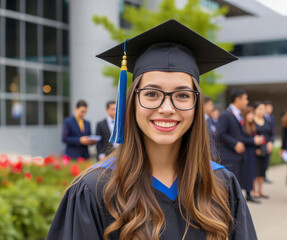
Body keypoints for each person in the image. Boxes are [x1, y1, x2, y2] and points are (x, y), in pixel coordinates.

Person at [47, 19, 257, 240]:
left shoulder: (222, 185)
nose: (167, 108)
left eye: (183, 95)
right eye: (151, 94)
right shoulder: (94, 190)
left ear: (197, 106)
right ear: (132, 102)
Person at [217, 88, 264, 190]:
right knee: (228, 189)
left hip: (238, 157)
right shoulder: (226, 115)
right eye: (245, 99)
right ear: (238, 99)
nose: (247, 102)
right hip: (229, 157)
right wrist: (235, 143)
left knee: (235, 188)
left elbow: (239, 136)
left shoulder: (239, 115)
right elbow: (220, 133)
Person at [241, 106, 261, 203]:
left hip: (252, 152)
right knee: (245, 173)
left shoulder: (252, 125)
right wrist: (253, 140)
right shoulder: (242, 125)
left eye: (253, 114)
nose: (252, 116)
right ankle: (244, 194)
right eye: (250, 114)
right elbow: (242, 139)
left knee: (251, 173)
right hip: (245, 152)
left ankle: (249, 193)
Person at [253, 102, 270, 199]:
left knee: (263, 170)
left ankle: (260, 190)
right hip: (256, 150)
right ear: (255, 109)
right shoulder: (252, 122)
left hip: (265, 149)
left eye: (263, 109)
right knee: (255, 170)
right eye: (260, 108)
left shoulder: (267, 121)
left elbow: (271, 134)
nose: (262, 111)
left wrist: (270, 142)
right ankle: (254, 191)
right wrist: (256, 148)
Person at [263, 100, 275, 183]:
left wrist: (271, 141)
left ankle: (265, 175)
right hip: (263, 142)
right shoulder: (262, 117)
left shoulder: (272, 118)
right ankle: (262, 176)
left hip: (269, 142)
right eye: (268, 107)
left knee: (267, 160)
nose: (270, 108)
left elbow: (273, 130)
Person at [204, 95, 218, 161]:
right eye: (210, 105)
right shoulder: (199, 120)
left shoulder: (210, 119)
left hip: (212, 156)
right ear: (204, 105)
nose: (212, 107)